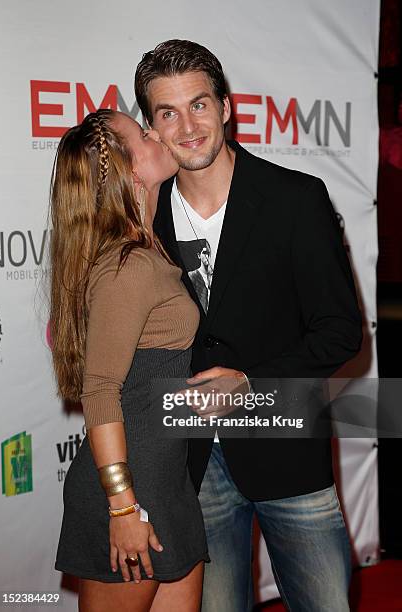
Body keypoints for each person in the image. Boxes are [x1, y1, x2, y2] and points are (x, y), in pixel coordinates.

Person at [135, 39, 363, 611]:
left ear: (226, 106)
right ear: (151, 125)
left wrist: (250, 383)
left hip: (287, 446)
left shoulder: (294, 199)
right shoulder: (145, 218)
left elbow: (340, 331)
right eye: (168, 112)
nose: (187, 126)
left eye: (199, 105)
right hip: (191, 463)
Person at [51, 108, 208, 612]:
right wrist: (122, 507)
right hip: (130, 493)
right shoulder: (128, 265)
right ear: (127, 170)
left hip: (167, 482)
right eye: (143, 134)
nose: (157, 132)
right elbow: (100, 390)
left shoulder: (148, 250)